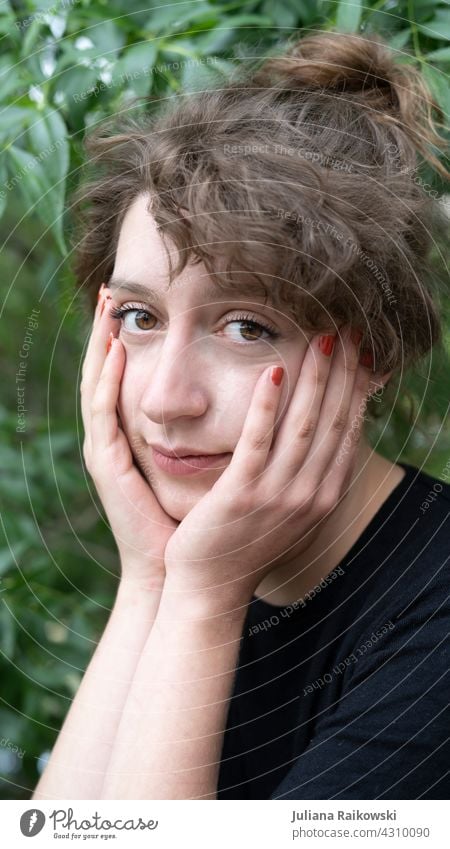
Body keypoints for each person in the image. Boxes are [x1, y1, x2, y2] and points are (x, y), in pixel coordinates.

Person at [33, 29, 449, 800]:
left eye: (247, 327)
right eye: (138, 317)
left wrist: (201, 600)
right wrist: (151, 579)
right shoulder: (187, 568)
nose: (164, 398)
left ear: (375, 354)